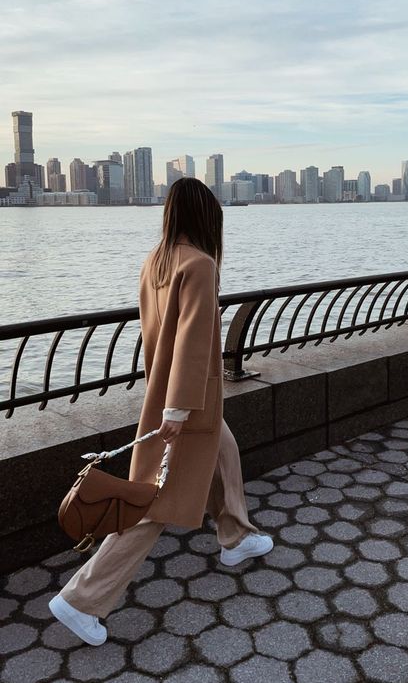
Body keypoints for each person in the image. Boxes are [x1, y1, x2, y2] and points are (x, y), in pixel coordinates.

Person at [48, 177, 273, 646]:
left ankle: (236, 534)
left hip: (171, 391)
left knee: (224, 451)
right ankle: (80, 600)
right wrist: (178, 409)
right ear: (207, 217)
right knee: (155, 502)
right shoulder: (201, 264)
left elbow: (158, 336)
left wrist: (172, 399)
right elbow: (192, 339)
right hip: (186, 401)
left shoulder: (158, 260)